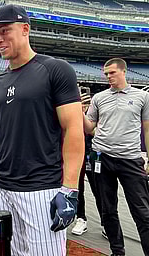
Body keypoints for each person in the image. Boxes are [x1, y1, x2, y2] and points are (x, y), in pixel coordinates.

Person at [0, 4, 84, 255]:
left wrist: (69, 189)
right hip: (1, 187)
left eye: (5, 31)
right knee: (8, 252)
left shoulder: (55, 69)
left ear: (25, 29)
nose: (0, 39)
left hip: (41, 189)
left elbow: (73, 130)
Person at [83, 58, 149, 256]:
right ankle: (117, 251)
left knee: (142, 212)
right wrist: (78, 111)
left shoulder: (142, 97)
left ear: (123, 71)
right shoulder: (99, 98)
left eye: (112, 72)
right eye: (105, 74)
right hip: (100, 156)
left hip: (130, 158)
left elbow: (147, 129)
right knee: (107, 209)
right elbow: (89, 127)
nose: (108, 77)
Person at [71, 95, 105, 237]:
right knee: (77, 188)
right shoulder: (71, 111)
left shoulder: (99, 112)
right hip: (76, 153)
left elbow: (95, 132)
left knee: (100, 190)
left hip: (94, 154)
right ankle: (81, 218)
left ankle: (106, 222)